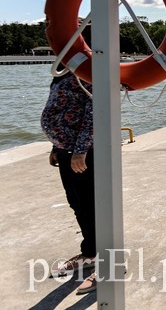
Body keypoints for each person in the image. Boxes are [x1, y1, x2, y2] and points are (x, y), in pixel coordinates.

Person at [41, 69, 97, 294]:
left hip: (84, 151)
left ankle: (110, 263)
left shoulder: (89, 72)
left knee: (94, 204)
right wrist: (56, 146)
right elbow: (60, 109)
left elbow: (93, 112)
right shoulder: (62, 74)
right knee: (77, 202)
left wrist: (80, 150)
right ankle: (90, 252)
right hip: (66, 149)